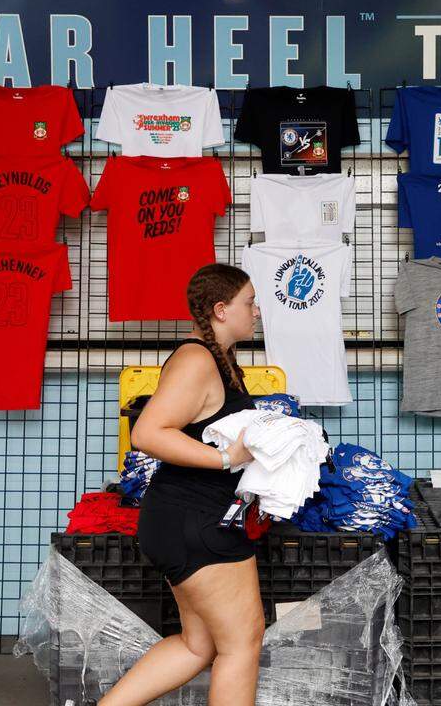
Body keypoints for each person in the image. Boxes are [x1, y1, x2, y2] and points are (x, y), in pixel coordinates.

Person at [100, 263, 263, 706]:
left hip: (183, 521)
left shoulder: (219, 359)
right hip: (199, 524)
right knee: (241, 645)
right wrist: (226, 457)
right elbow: (148, 433)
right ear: (221, 309)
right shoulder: (196, 359)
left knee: (199, 645)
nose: (258, 311)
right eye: (250, 303)